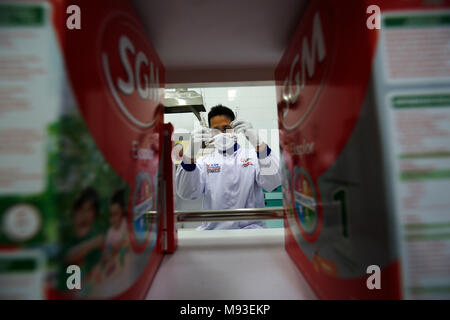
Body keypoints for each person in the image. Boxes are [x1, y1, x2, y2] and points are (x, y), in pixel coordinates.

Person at [175, 104, 282, 230]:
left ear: (235, 129)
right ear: (210, 133)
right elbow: (186, 192)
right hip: (213, 233)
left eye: (226, 128)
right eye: (216, 130)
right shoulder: (204, 162)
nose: (222, 133)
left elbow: (274, 181)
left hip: (251, 233)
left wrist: (257, 142)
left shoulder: (253, 157)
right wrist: (190, 154)